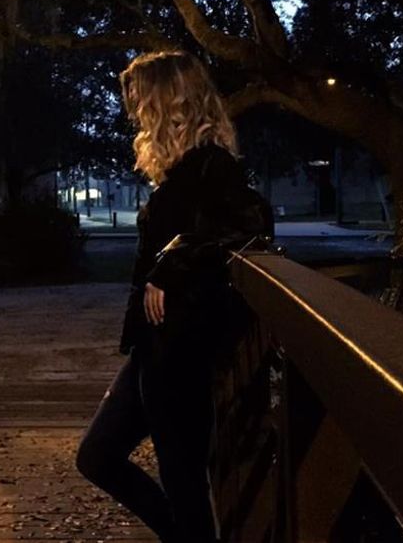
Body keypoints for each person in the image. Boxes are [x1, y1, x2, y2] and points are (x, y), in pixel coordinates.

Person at [75, 51, 273, 543]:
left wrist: (175, 260)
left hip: (183, 347)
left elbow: (252, 225)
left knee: (183, 480)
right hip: (156, 347)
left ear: (169, 102)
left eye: (142, 100)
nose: (136, 112)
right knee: (98, 456)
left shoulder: (212, 165)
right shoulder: (184, 170)